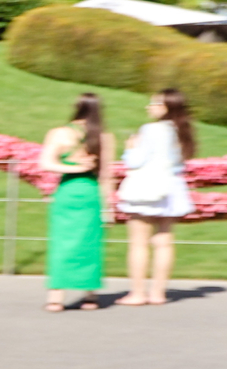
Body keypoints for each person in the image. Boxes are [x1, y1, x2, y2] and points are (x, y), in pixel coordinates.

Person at [114, 87, 196, 306]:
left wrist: (129, 148)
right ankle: (158, 292)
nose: (149, 107)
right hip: (171, 188)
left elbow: (135, 162)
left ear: (166, 107)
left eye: (154, 103)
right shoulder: (182, 131)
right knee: (164, 241)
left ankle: (138, 292)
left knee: (139, 242)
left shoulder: (150, 130)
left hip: (147, 188)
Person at [37, 94, 114, 311]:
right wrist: (108, 209)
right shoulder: (104, 136)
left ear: (76, 107)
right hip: (90, 192)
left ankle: (56, 296)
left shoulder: (59, 133)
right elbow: (106, 175)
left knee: (62, 243)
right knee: (90, 243)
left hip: (68, 192)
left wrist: (72, 168)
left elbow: (46, 163)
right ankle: (90, 295)